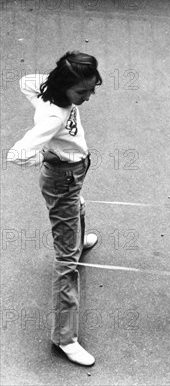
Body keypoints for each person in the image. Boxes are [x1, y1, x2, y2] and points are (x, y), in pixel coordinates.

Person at [7, 51, 102, 366]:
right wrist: (45, 155)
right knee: (66, 262)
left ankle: (79, 238)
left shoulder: (51, 89)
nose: (87, 97)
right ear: (64, 86)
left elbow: (25, 83)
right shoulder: (54, 117)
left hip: (72, 175)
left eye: (90, 89)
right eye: (82, 92)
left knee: (80, 206)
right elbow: (17, 154)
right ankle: (64, 338)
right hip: (63, 177)